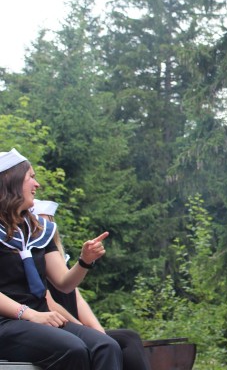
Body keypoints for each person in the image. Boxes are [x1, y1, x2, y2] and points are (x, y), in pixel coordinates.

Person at [0, 148, 122, 369]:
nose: (37, 184)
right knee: (73, 349)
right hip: (6, 323)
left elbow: (64, 284)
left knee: (107, 346)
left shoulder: (38, 230)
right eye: (31, 177)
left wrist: (84, 261)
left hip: (41, 318)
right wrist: (29, 315)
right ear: (11, 182)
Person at [32, 199, 151, 370]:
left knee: (128, 338)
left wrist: (97, 330)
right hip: (54, 327)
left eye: (48, 221)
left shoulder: (59, 260)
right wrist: (82, 330)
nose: (45, 226)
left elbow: (77, 298)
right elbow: (49, 303)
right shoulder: (32, 260)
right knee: (115, 342)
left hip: (75, 327)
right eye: (40, 221)